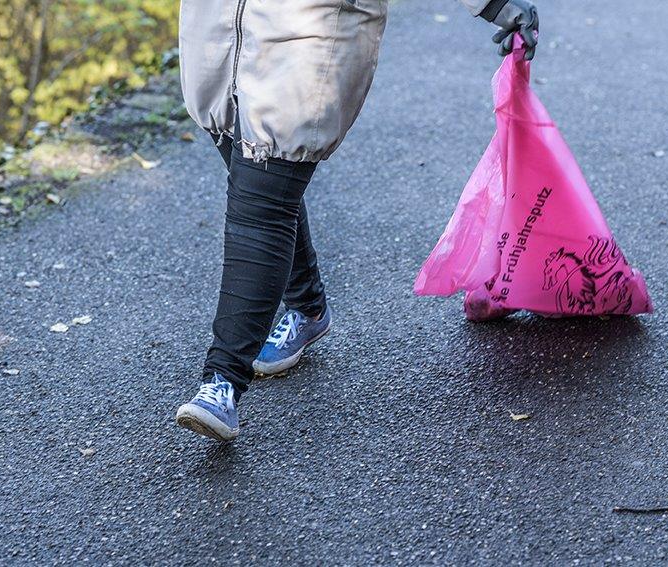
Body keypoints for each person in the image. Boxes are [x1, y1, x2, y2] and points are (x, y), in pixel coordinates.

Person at [174, 0, 540, 442]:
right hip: (215, 28)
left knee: (264, 197)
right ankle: (308, 307)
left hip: (313, 27)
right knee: (259, 181)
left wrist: (493, 3)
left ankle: (222, 382)